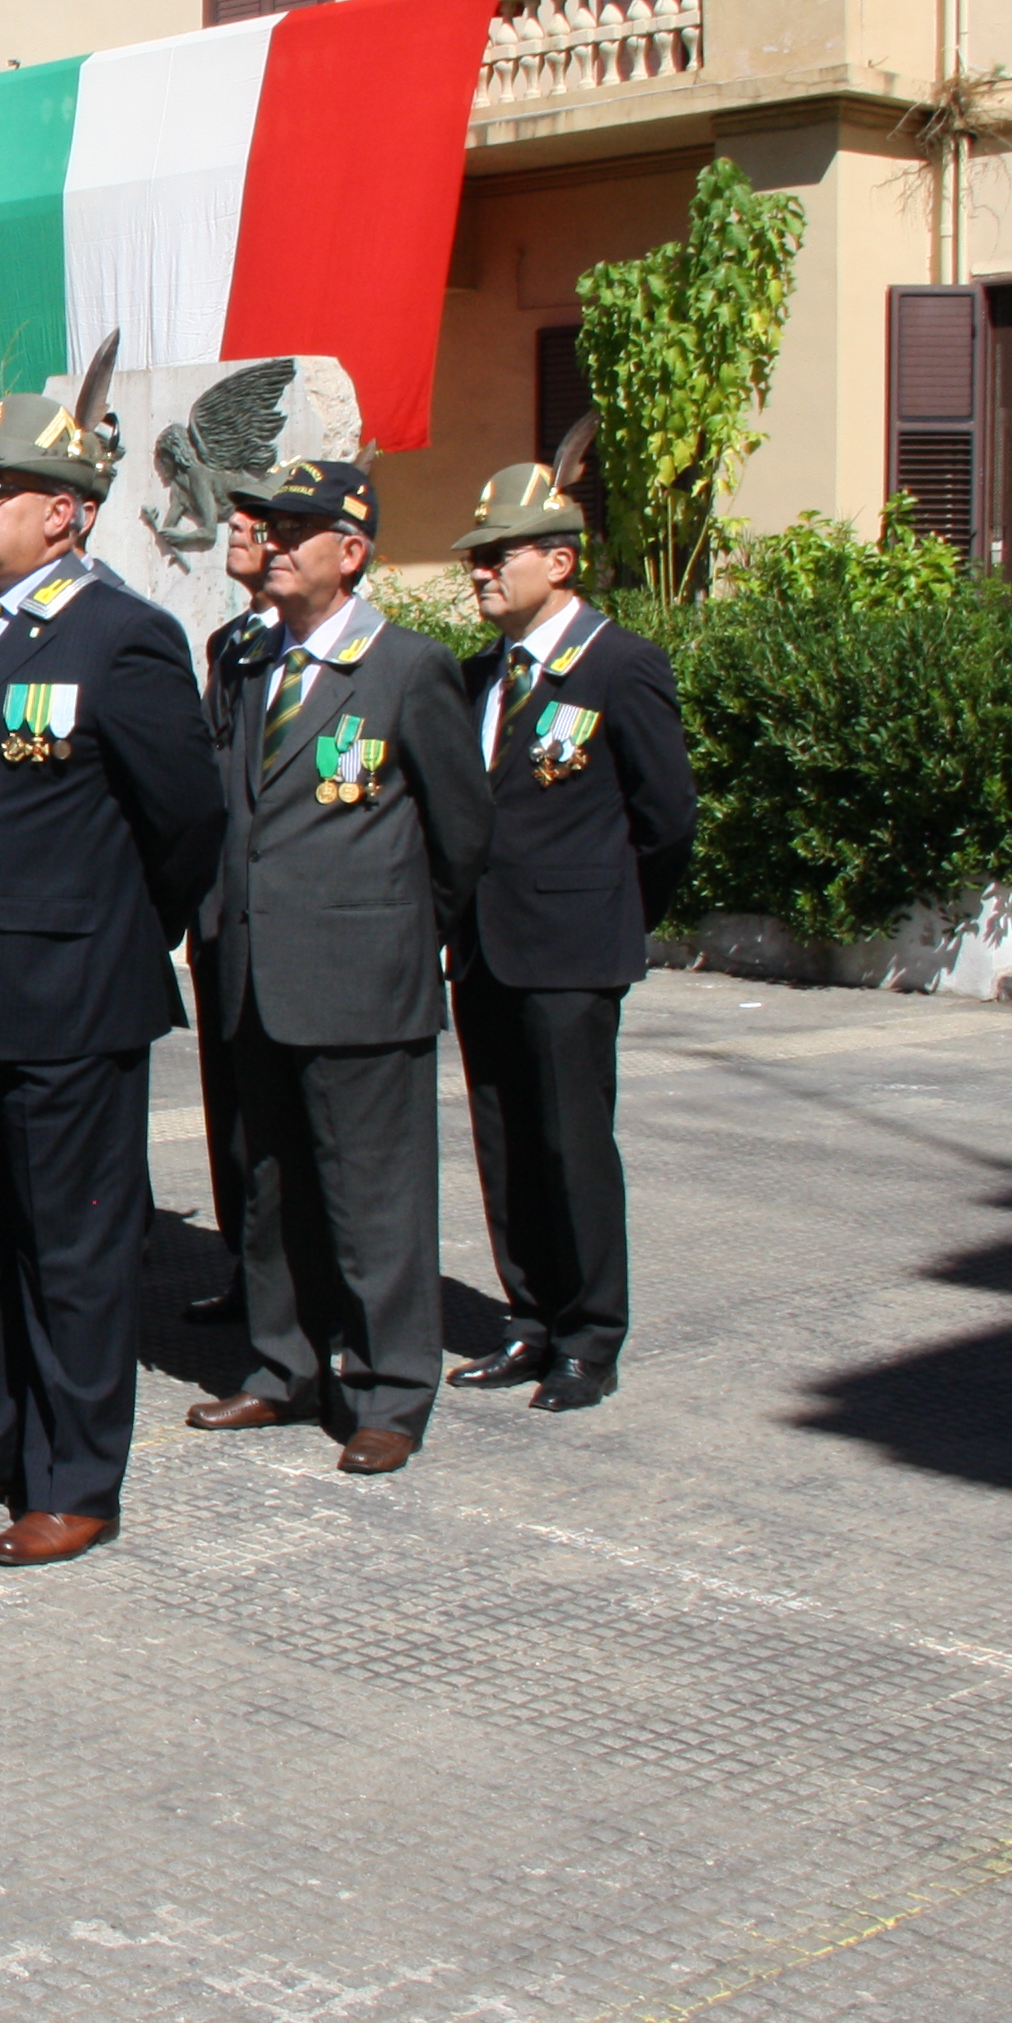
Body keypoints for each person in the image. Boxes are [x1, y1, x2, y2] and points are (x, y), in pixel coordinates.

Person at [0, 366, 224, 1566]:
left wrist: (108, 931)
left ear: (65, 511)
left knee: (72, 1249)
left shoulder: (122, 639)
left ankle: (76, 1478)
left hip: (69, 998)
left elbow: (183, 822)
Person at [184, 459, 492, 1476]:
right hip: (253, 968)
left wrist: (396, 936)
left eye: (293, 531)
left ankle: (389, 1388)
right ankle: (281, 1366)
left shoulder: (408, 669)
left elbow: (461, 837)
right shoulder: (243, 659)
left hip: (362, 977)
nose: (269, 544)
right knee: (268, 1187)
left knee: (374, 1198)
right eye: (266, 528)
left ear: (350, 553)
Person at [443, 460, 694, 1411]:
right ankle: (530, 1319)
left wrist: (613, 915)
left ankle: (591, 1335)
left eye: (497, 556)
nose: (479, 574)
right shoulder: (477, 678)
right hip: (486, 947)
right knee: (504, 1141)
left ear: (559, 559)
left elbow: (666, 820)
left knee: (573, 1145)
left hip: (573, 948)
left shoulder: (621, 665)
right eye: (475, 559)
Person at [180, 506, 283, 1324]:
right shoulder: (231, 644)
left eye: (260, 525)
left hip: (294, 931)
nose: (240, 535)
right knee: (234, 1119)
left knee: (292, 1134)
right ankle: (249, 1271)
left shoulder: (362, 656)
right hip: (222, 918)